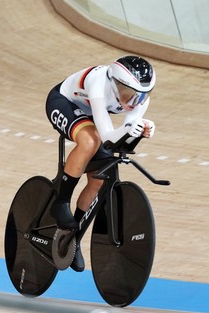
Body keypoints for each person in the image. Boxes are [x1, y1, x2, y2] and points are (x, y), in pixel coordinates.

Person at [45, 55, 156, 272]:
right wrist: (127, 130)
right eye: (129, 94)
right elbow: (107, 135)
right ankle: (60, 202)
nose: (134, 101)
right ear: (115, 84)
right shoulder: (99, 84)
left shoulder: (139, 97)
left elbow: (124, 134)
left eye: (141, 96)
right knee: (89, 141)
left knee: (99, 180)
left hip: (88, 116)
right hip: (62, 101)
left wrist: (141, 130)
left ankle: (72, 237)